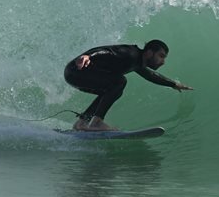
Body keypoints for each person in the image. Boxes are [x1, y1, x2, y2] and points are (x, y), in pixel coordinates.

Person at [64, 39, 193, 131]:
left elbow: (150, 75)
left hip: (75, 74)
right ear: (149, 53)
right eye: (161, 56)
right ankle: (96, 122)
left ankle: (82, 122)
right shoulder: (130, 54)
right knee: (119, 82)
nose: (163, 62)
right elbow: (105, 50)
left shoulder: (137, 62)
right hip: (76, 71)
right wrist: (88, 55)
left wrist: (173, 84)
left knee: (110, 88)